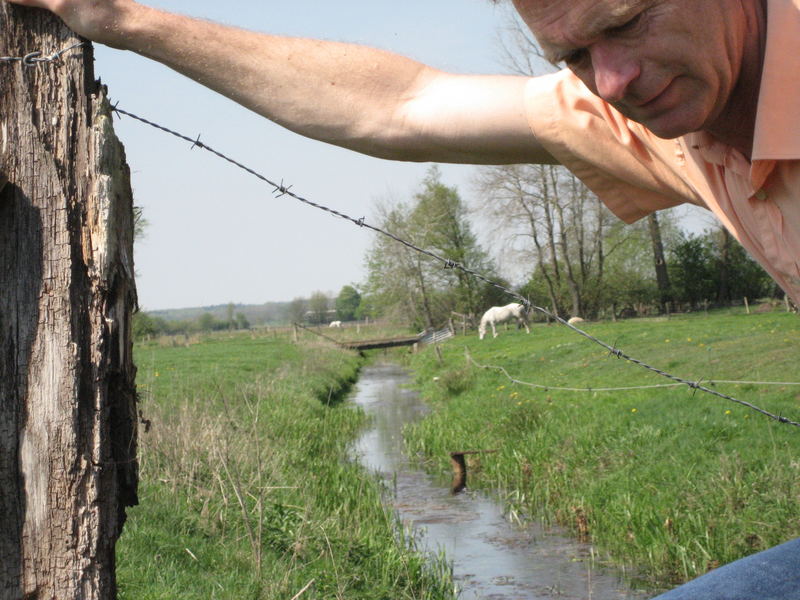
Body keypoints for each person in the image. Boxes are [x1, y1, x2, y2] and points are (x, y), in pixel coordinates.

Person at [6, 0, 799, 597]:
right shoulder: (664, 126)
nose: (613, 80)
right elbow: (397, 104)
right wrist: (122, 19)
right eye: (575, 56)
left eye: (627, 20)